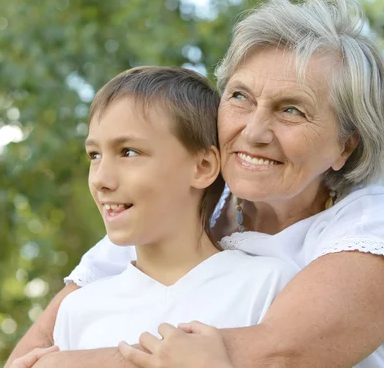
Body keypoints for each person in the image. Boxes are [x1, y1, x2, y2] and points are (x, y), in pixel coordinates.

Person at [7, 0, 384, 368]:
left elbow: (276, 354)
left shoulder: (376, 222)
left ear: (345, 145)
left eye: (291, 110)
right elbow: (30, 352)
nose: (255, 131)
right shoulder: (174, 212)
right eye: (240, 97)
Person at [52, 66, 297, 352]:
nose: (101, 180)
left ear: (202, 167)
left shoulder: (267, 285)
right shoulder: (78, 312)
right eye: (94, 155)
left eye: (129, 152)